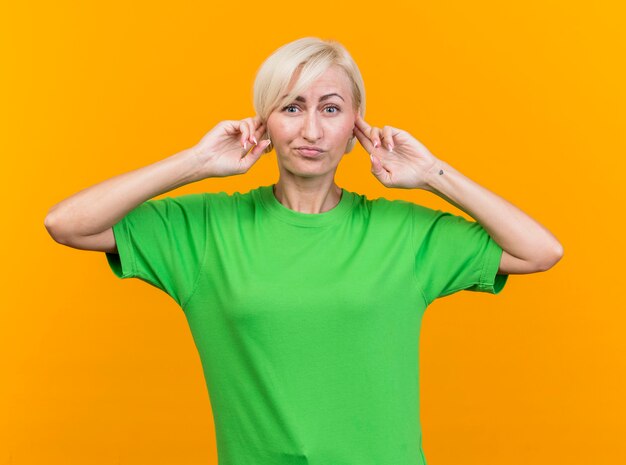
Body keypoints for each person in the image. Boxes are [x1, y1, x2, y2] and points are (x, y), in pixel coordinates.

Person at [44, 36, 563, 465]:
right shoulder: (206, 230)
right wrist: (195, 162)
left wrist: (432, 175)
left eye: (330, 109)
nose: (311, 130)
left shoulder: (403, 233)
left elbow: (540, 251)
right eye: (291, 108)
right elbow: (66, 223)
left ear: (356, 125)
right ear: (264, 122)